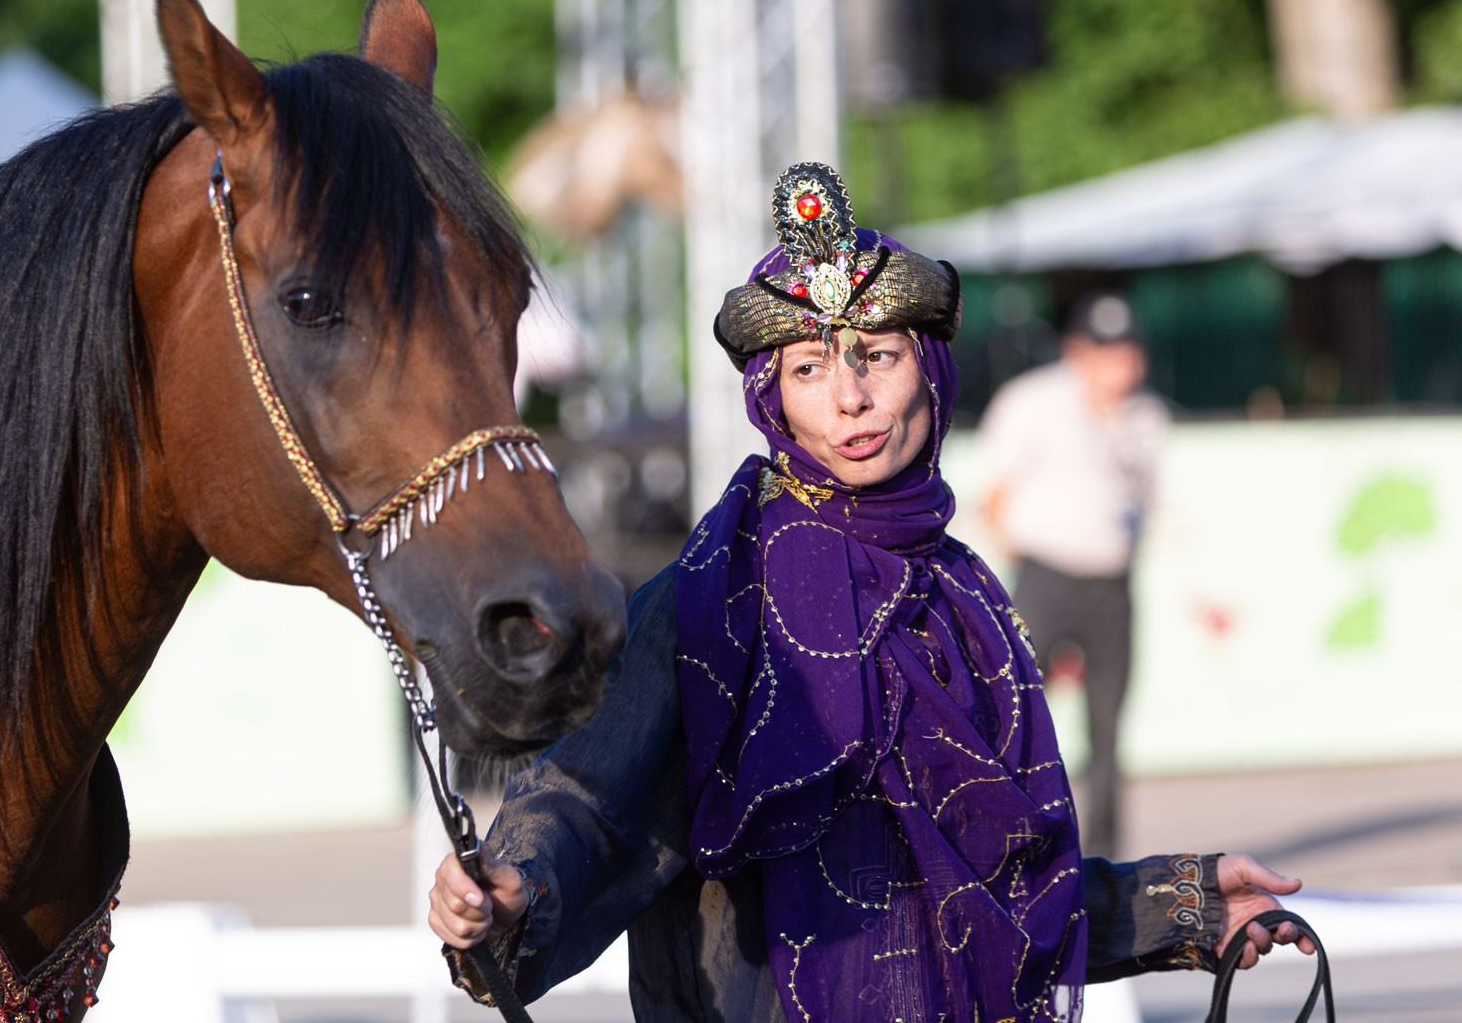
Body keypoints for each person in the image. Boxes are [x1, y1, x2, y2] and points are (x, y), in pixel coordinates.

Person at [427, 164, 1309, 1021]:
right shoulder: (713, 596)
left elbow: (996, 888)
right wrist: (518, 887)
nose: (850, 397)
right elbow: (585, 799)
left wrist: (1182, 902)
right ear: (771, 397)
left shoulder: (962, 596)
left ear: (929, 371)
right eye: (807, 369)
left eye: (878, 355)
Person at [978, 291, 1168, 858]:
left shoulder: (1147, 417)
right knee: (1011, 716)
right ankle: (1002, 844)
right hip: (1045, 579)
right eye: (1108, 351)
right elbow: (993, 494)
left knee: (1108, 733)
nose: (1122, 364)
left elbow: (1148, 504)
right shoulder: (1033, 402)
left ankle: (1106, 860)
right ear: (1077, 351)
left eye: (1129, 350)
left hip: (1111, 588)